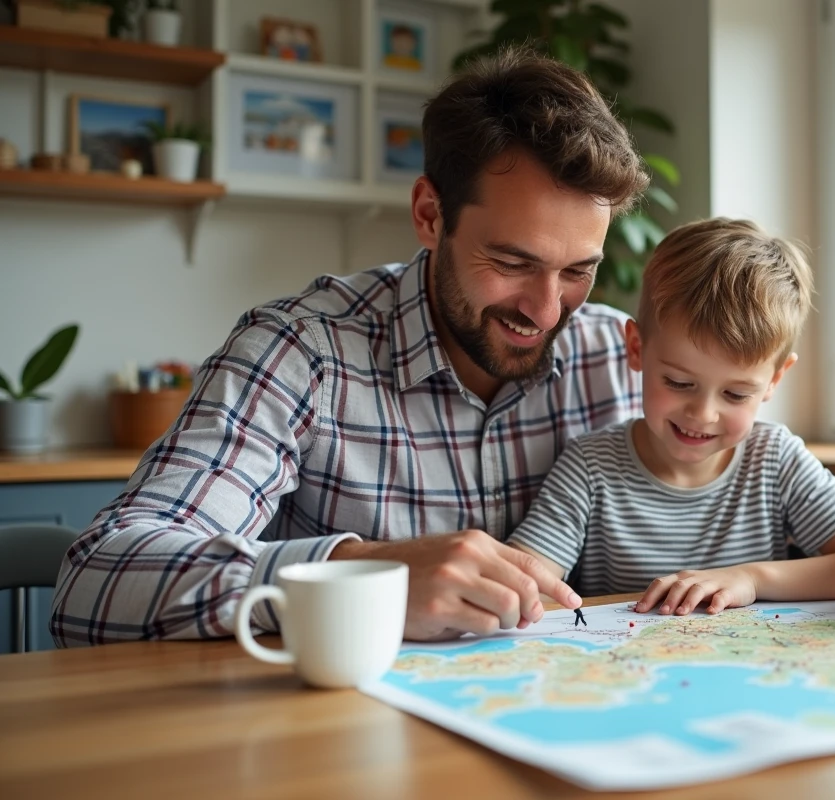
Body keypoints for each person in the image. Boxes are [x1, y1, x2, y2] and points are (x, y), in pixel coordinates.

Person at [50, 48, 649, 646]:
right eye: (512, 262)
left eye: (578, 271)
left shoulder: (620, 359)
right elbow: (95, 581)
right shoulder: (301, 353)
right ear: (430, 215)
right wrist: (363, 574)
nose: (547, 311)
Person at [508, 218, 835, 614]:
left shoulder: (775, 458)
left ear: (774, 380)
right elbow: (525, 583)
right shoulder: (589, 466)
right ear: (636, 349)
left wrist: (751, 578)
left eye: (735, 393)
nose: (703, 413)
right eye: (678, 382)